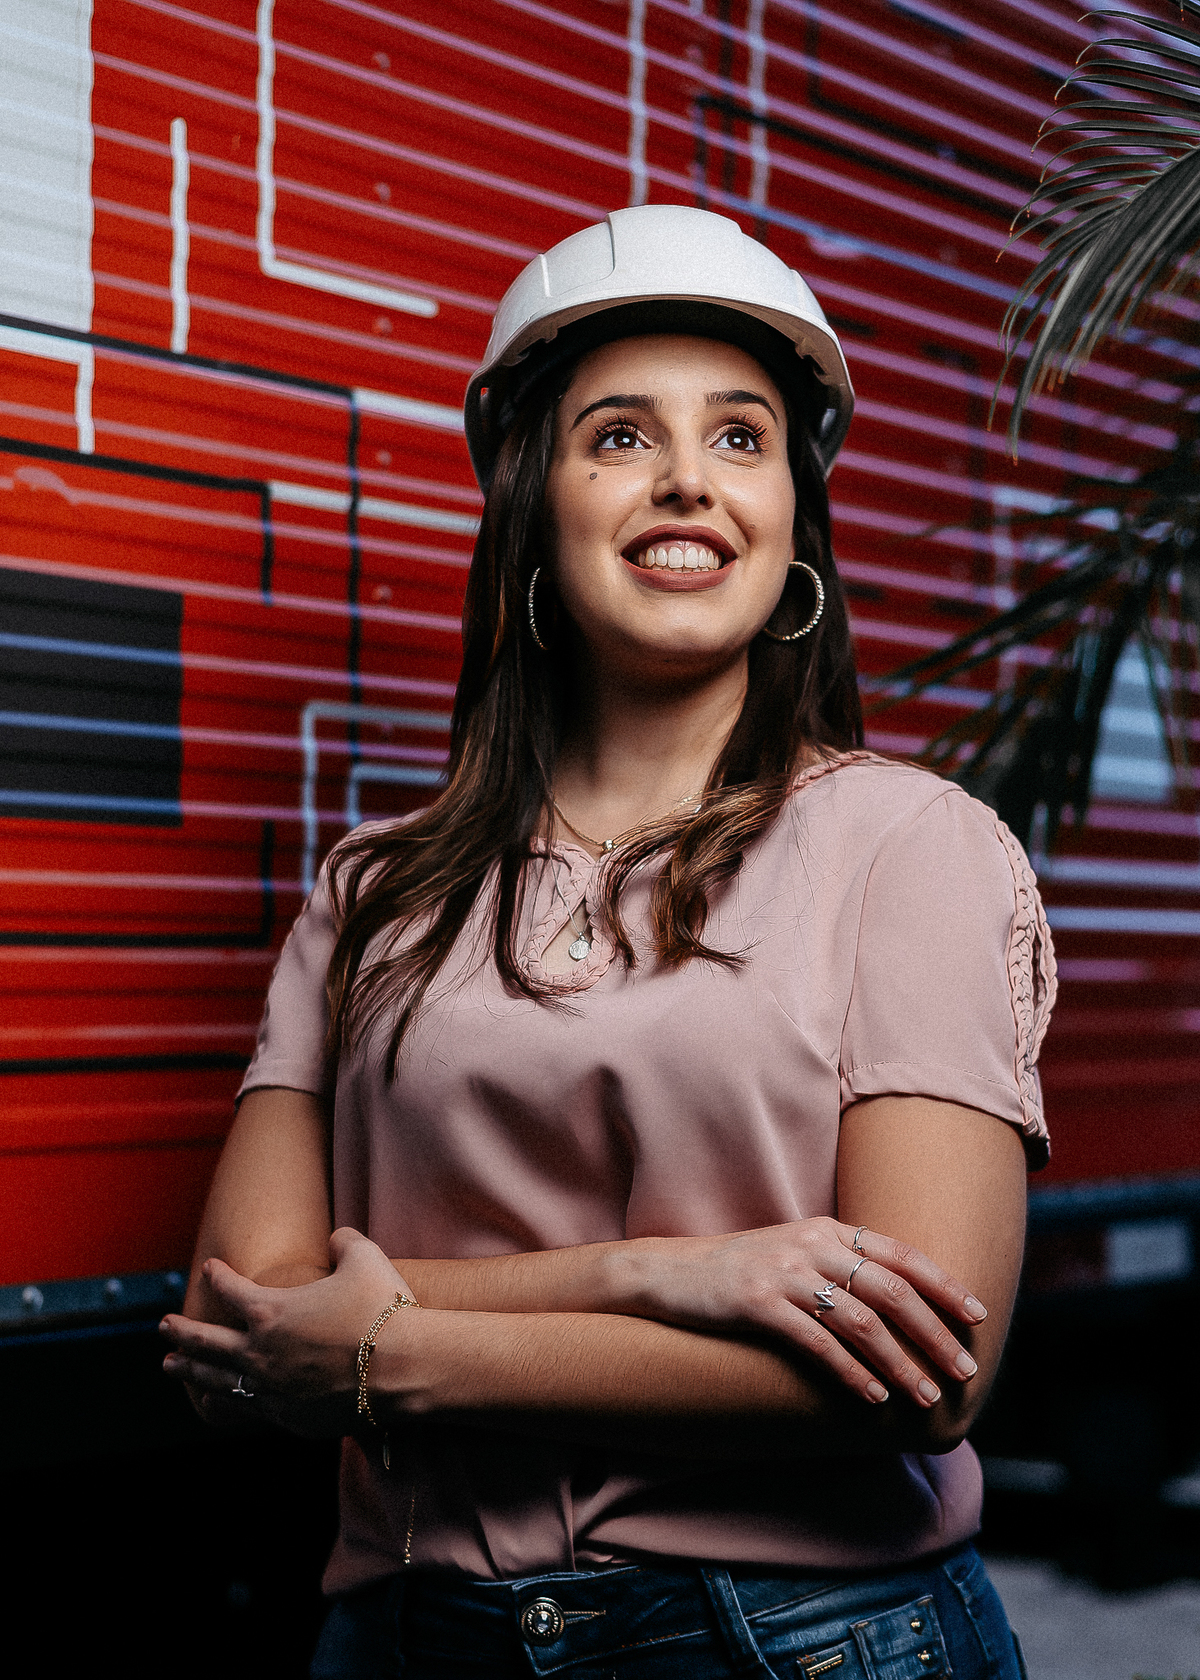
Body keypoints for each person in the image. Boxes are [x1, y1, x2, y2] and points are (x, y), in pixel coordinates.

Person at [162, 205, 1054, 1679]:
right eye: (622, 437)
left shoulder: (912, 847)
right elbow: (240, 1323)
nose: (689, 479)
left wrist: (395, 1347)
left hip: (795, 1640)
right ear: (535, 507)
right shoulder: (375, 889)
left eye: (742, 438)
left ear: (791, 522)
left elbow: (925, 1375)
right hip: (408, 1638)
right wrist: (662, 1277)